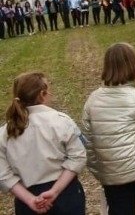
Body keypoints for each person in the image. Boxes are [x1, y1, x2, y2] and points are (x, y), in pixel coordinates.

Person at [81, 43, 135, 214]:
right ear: (134, 65)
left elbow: (88, 142)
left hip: (113, 176)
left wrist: (101, 173)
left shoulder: (92, 100)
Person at [0, 72, 86, 214]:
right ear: (42, 94)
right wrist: (54, 191)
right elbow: (78, 157)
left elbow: (3, 175)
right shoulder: (61, 121)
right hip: (65, 195)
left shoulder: (5, 133)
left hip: (26, 201)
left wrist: (29, 200)